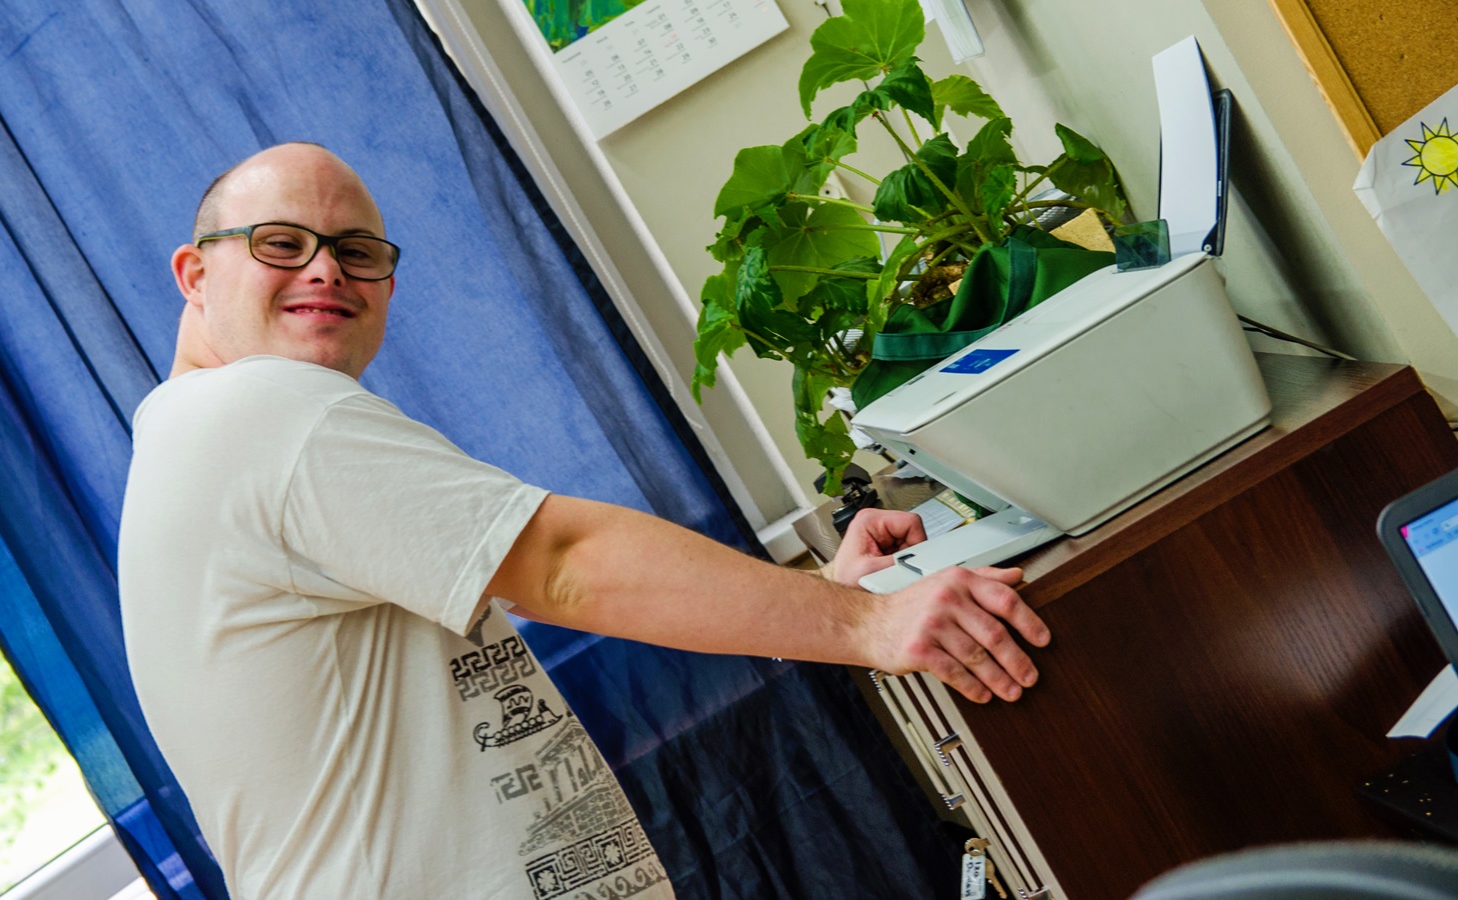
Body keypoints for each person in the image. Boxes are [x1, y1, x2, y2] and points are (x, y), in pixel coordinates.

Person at [118, 142, 1050, 900]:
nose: (326, 269)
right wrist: (867, 624)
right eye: (281, 243)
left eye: (357, 251)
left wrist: (821, 597)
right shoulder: (260, 413)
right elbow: (564, 564)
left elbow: (528, 585)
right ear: (195, 274)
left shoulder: (190, 443)